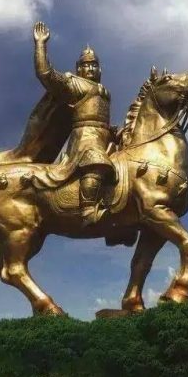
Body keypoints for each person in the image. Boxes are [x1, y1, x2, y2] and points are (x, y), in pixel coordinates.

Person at [32, 21, 114, 226]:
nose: (90, 68)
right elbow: (46, 74)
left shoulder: (105, 92)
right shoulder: (75, 83)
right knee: (95, 161)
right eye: (85, 65)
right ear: (78, 68)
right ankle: (88, 209)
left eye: (94, 65)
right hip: (86, 138)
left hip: (105, 137)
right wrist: (41, 44)